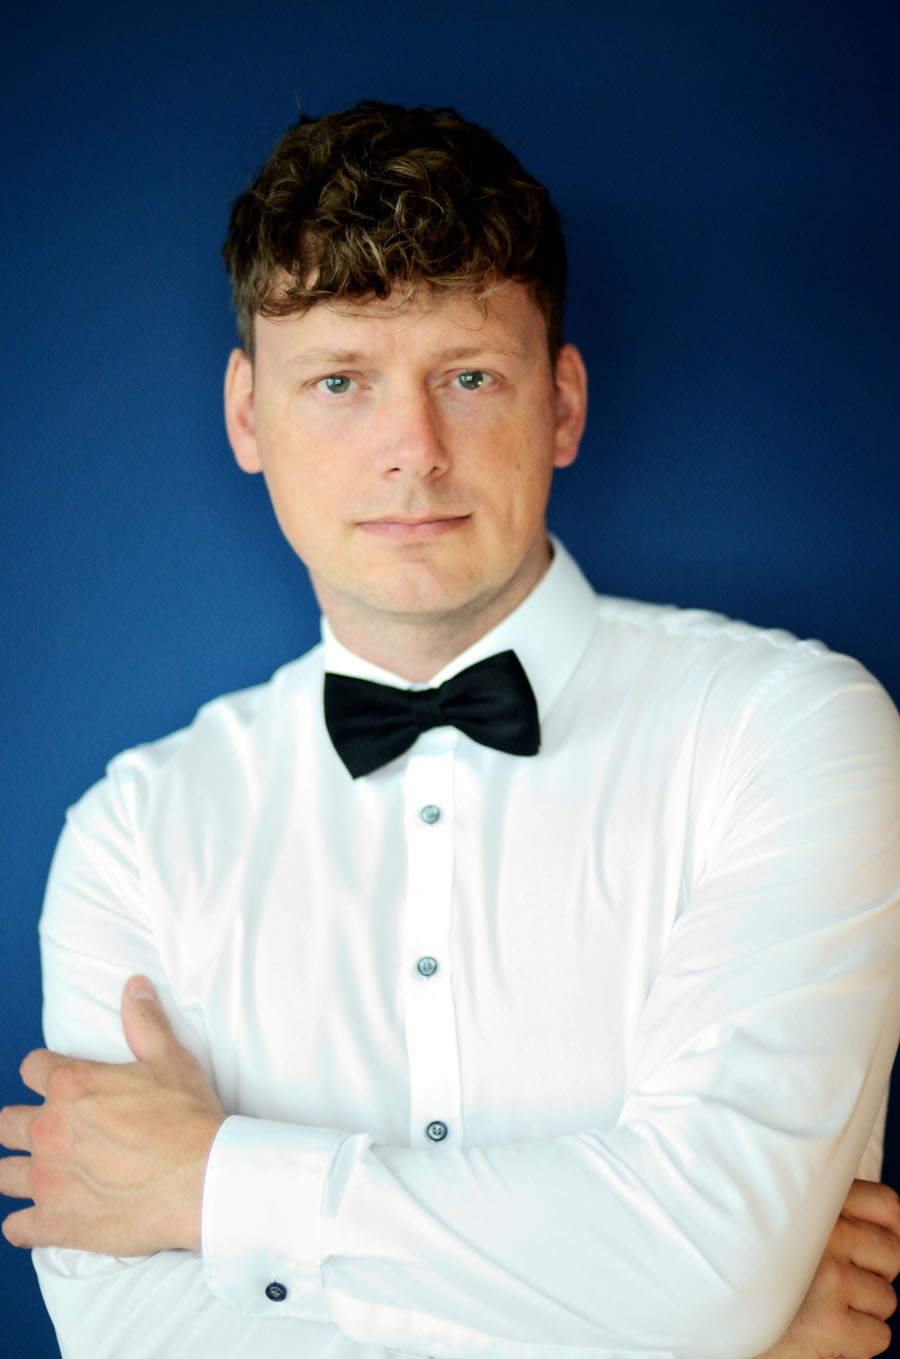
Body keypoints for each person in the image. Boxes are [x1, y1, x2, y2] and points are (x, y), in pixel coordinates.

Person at [1, 101, 899, 1359]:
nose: (412, 453)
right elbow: (132, 1337)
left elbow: (709, 1261)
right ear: (248, 417)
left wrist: (214, 1183)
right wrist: (708, 1328)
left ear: (563, 405)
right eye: (340, 383)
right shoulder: (133, 839)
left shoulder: (791, 732)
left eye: (468, 377)